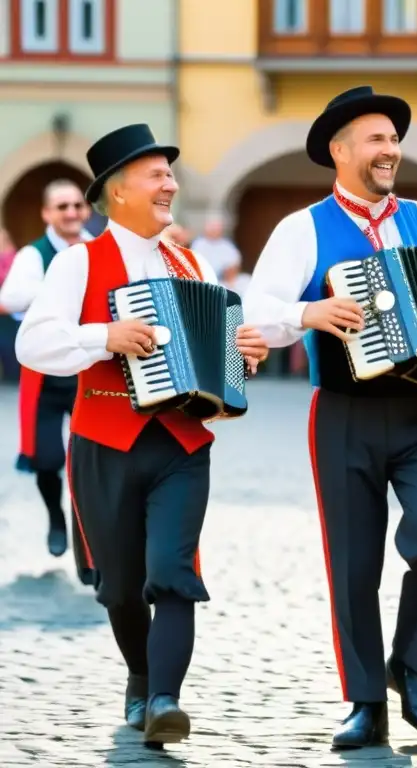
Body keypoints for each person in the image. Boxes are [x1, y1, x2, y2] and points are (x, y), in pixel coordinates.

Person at [241, 86, 417, 750]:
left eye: (394, 139)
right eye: (377, 139)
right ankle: (366, 702)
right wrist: (308, 313)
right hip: (344, 412)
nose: (390, 150)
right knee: (354, 564)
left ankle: (411, 663)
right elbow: (258, 309)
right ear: (340, 150)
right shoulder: (302, 228)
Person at [14, 124, 269, 746]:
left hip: (181, 444)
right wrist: (105, 335)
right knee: (120, 587)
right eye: (157, 175)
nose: (170, 185)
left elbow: (217, 346)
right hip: (102, 442)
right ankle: (140, 675)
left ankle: (164, 700)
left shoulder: (193, 261)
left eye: (170, 175)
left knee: (172, 572)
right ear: (118, 191)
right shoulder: (79, 263)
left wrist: (244, 349)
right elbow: (33, 344)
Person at [0, 180, 95, 576]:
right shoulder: (32, 255)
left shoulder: (97, 249)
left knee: (89, 465)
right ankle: (55, 517)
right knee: (47, 460)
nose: (71, 212)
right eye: (62, 206)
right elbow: (9, 299)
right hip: (43, 376)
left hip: (89, 372)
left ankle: (87, 548)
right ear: (47, 214)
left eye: (77, 205)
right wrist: (65, 289)